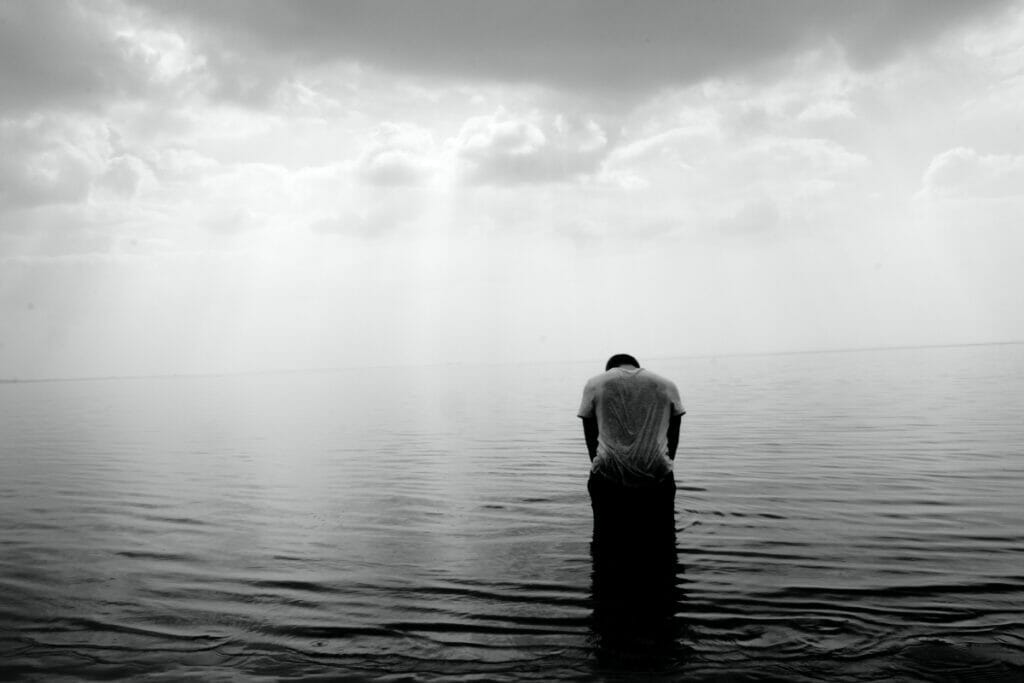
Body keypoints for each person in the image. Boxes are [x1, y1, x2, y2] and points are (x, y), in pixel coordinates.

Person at [578, 354, 685, 536]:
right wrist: (665, 462)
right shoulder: (666, 384)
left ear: (610, 369)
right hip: (657, 473)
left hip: (608, 473)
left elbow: (591, 434)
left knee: (606, 536)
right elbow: (673, 432)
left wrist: (598, 462)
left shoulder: (596, 384)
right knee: (662, 537)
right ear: (636, 367)